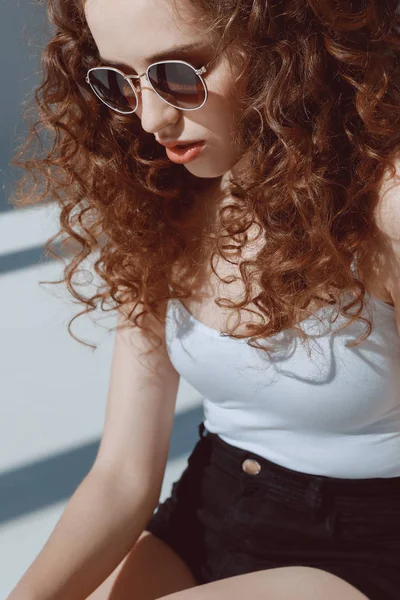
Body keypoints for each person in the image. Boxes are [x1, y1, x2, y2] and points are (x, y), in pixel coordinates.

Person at [6, 0, 400, 599]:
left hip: (362, 547)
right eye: (122, 79)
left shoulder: (384, 210)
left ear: (283, 44)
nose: (150, 119)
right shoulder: (163, 200)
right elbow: (122, 475)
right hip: (209, 507)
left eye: (181, 71)